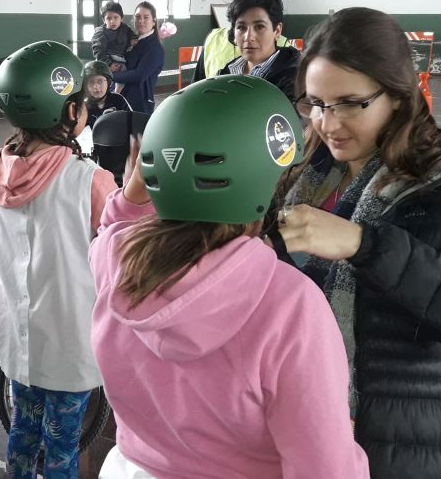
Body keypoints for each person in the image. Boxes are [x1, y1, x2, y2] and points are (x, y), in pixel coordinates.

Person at [274, 7, 441, 478]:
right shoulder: (300, 172)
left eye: (349, 103)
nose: (328, 124)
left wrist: (366, 245)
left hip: (397, 442)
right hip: (289, 425)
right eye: (316, 103)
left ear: (396, 94)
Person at [89, 76, 369, 478]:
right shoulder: (289, 304)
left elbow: (111, 228)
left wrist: (138, 190)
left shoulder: (115, 260)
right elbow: (324, 469)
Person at [0, 41, 117, 479]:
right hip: (70, 341)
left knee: (23, 431)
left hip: (19, 341)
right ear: (71, 112)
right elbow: (124, 247)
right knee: (62, 447)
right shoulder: (90, 181)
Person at [216, 0, 300, 101]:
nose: (248, 37)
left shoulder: (295, 79)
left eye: (259, 27)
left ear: (277, 31)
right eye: (241, 27)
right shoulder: (226, 73)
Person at [113, 2, 164, 115]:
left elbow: (139, 74)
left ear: (154, 21)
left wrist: (110, 76)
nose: (141, 21)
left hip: (139, 106)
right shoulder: (134, 42)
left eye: (146, 17)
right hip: (123, 100)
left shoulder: (155, 47)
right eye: (138, 17)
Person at [82, 60, 131, 128]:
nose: (96, 86)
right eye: (91, 82)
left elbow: (132, 123)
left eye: (100, 81)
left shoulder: (118, 100)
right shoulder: (84, 106)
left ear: (108, 82)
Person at [91, 1, 136, 73]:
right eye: (108, 18)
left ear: (121, 18)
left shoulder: (125, 28)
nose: (112, 21)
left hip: (122, 61)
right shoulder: (100, 32)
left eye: (116, 17)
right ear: (104, 20)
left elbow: (131, 34)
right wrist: (109, 64)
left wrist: (133, 39)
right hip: (105, 62)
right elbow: (99, 52)